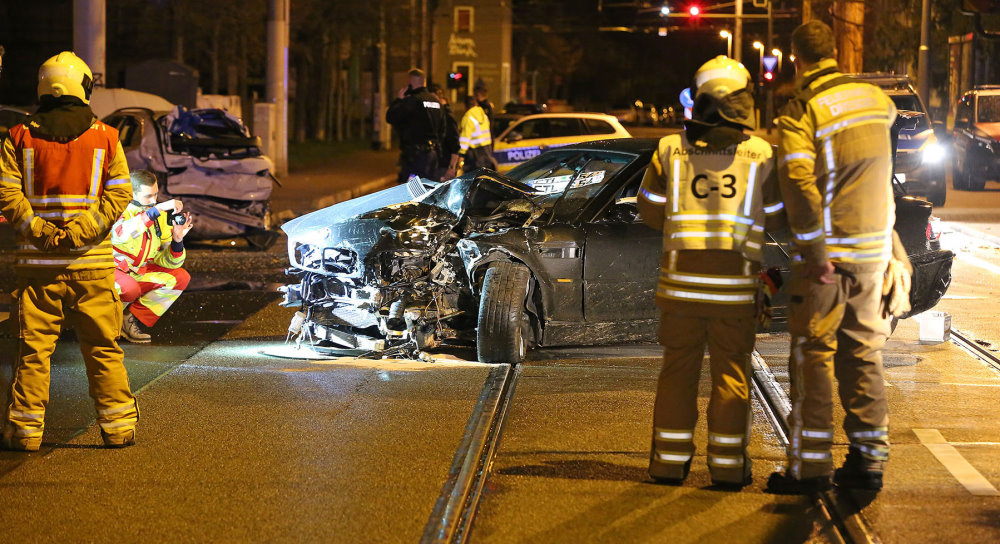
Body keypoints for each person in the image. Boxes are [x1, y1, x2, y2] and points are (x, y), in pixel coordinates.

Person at [766, 20, 903, 494]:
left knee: (813, 360)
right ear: (835, 55)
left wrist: (814, 250)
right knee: (864, 357)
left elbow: (799, 184)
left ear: (796, 58)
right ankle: (869, 463)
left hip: (829, 261)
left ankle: (811, 468)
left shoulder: (803, 110)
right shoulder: (876, 101)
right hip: (874, 256)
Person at [637, 56, 783, 488]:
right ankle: (727, 467)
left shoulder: (669, 150)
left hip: (681, 289)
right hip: (736, 291)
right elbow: (774, 215)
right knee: (733, 377)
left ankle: (668, 463)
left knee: (677, 373)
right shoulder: (760, 154)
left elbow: (649, 210)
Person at [0, 52, 139, 450]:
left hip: (38, 268)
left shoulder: (18, 137)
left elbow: (7, 194)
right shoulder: (106, 138)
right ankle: (117, 427)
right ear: (82, 86)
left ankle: (25, 432)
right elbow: (119, 193)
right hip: (91, 265)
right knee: (102, 349)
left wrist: (41, 231)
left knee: (32, 352)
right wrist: (83, 231)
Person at [112, 169, 193, 343]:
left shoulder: (158, 215)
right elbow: (124, 233)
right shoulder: (118, 210)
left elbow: (170, 262)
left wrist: (177, 241)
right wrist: (158, 209)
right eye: (148, 196)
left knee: (179, 278)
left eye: (156, 195)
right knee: (129, 288)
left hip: (136, 272)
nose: (154, 201)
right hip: (110, 272)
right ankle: (107, 325)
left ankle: (127, 318)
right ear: (132, 193)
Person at [385, 68, 448, 184]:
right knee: (430, 189)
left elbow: (390, 117)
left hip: (415, 156)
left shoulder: (412, 101)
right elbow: (443, 130)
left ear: (411, 83)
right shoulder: (436, 102)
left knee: (412, 192)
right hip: (434, 155)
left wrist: (399, 100)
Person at [459, 85, 498, 173]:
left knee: (472, 177)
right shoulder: (483, 113)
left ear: (466, 106)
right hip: (486, 148)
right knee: (484, 175)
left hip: (474, 152)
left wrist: (461, 154)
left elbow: (465, 137)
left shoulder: (468, 116)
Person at [427, 83, 460, 180]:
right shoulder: (435, 115)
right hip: (435, 165)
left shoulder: (447, 117)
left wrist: (451, 168)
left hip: (444, 167)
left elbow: (455, 145)